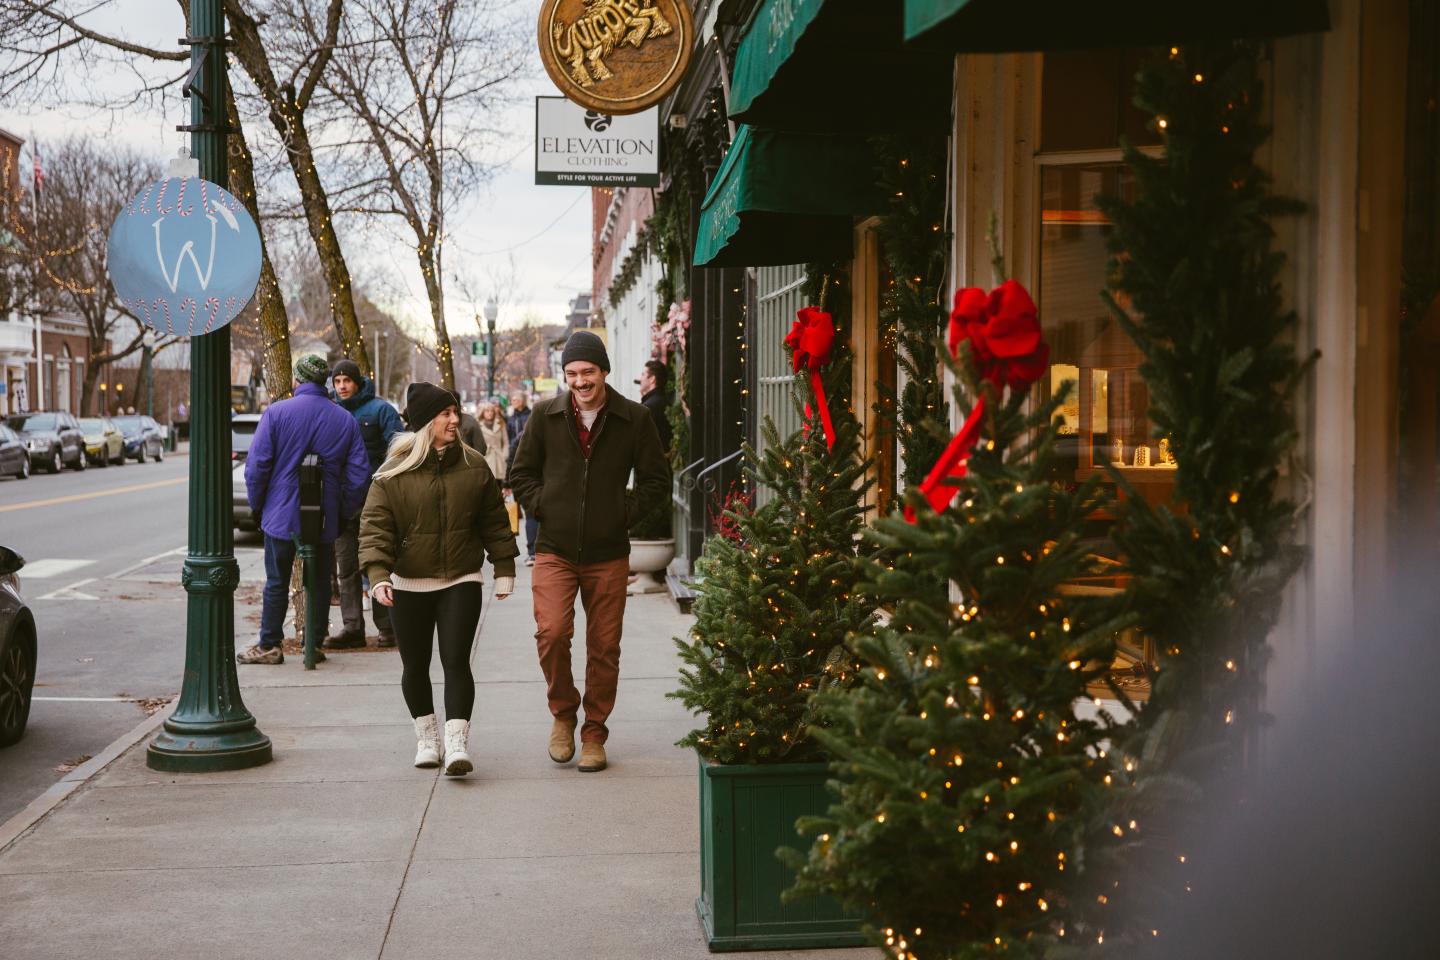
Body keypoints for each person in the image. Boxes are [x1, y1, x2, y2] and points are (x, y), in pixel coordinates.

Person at [508, 331, 669, 773]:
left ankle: (594, 732)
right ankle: (563, 713)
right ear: (565, 376)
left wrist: (621, 514)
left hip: (608, 552)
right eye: (572, 373)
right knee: (552, 633)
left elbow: (657, 480)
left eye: (588, 372)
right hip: (556, 549)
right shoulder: (544, 415)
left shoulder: (633, 418)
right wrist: (545, 506)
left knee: (604, 647)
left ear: (603, 372)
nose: (580, 381)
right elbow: (520, 474)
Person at [360, 382, 519, 777]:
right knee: (415, 665)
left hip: (461, 580)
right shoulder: (392, 473)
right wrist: (378, 575)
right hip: (408, 583)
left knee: (456, 662)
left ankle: (456, 743)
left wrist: (504, 568)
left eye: (455, 411)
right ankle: (427, 738)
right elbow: (375, 529)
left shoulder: (474, 465)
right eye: (445, 413)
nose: (454, 419)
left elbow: (495, 523)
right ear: (424, 422)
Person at [239, 354, 370, 665]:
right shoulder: (344, 420)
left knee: (276, 581)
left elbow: (256, 468)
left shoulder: (276, 414)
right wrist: (342, 511)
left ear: (297, 380)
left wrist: (258, 506)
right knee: (320, 582)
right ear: (324, 382)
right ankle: (314, 642)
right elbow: (358, 475)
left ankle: (270, 643)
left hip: (280, 514)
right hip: (325, 515)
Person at [326, 358, 404, 649]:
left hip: (374, 502)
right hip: (343, 504)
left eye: (346, 380)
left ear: (358, 381)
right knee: (345, 567)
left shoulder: (380, 410)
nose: (342, 386)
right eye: (337, 381)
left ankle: (387, 627)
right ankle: (353, 628)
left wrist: (383, 488)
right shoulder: (330, 411)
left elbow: (398, 450)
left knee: (378, 564)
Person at [504, 390, 538, 566]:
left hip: (527, 476)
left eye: (516, 398)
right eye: (512, 399)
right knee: (532, 514)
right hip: (525, 476)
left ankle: (534, 552)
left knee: (533, 514)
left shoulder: (528, 418)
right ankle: (533, 551)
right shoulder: (511, 419)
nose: (513, 401)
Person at [635, 359, 674, 454]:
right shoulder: (662, 401)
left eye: (643, 374)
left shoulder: (649, 407)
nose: (640, 379)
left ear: (652, 379)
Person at [476, 401, 509, 482]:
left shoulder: (500, 423)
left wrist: (504, 455)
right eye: (487, 411)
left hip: (499, 459)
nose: (490, 413)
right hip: (486, 458)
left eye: (492, 411)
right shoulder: (478, 425)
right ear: (482, 412)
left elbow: (506, 442)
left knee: (499, 485)